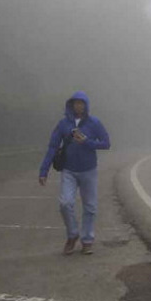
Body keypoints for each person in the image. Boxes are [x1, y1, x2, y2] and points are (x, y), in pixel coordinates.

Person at [38, 91, 111, 255]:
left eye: (81, 103)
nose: (78, 106)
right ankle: (72, 234)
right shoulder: (64, 124)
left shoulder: (94, 123)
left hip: (89, 170)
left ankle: (87, 240)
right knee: (65, 203)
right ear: (71, 105)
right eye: (75, 103)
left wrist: (87, 142)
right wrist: (44, 170)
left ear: (86, 105)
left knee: (90, 207)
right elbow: (52, 147)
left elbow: (106, 143)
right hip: (69, 170)